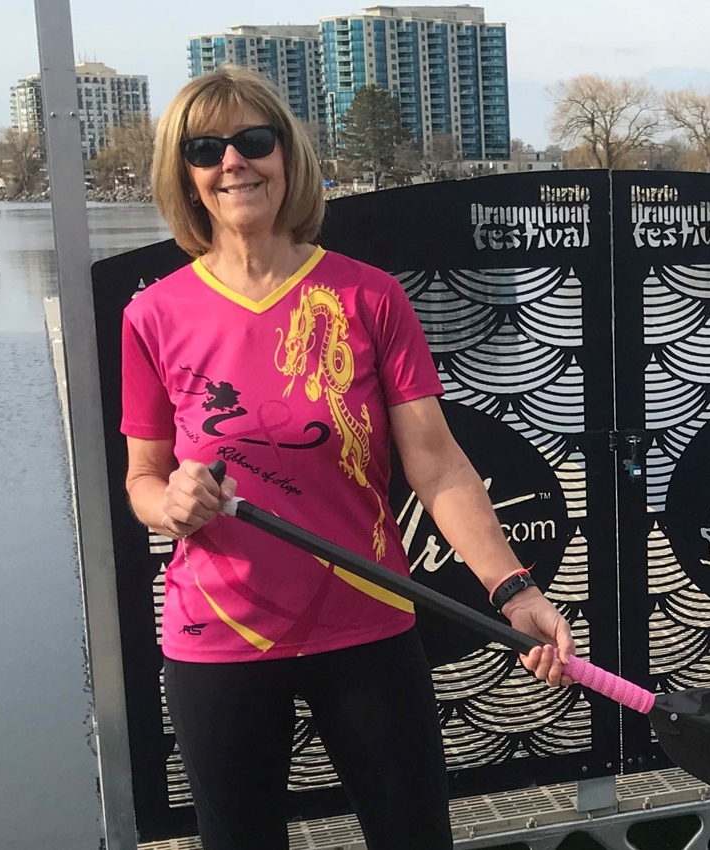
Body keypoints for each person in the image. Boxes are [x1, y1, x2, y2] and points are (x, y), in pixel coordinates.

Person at [120, 66, 575, 850]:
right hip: (217, 636)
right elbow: (142, 478)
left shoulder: (368, 298)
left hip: (366, 624)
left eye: (253, 141)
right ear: (186, 175)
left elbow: (437, 466)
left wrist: (514, 587)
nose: (233, 162)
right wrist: (170, 505)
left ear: (286, 155)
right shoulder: (153, 314)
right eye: (206, 148)